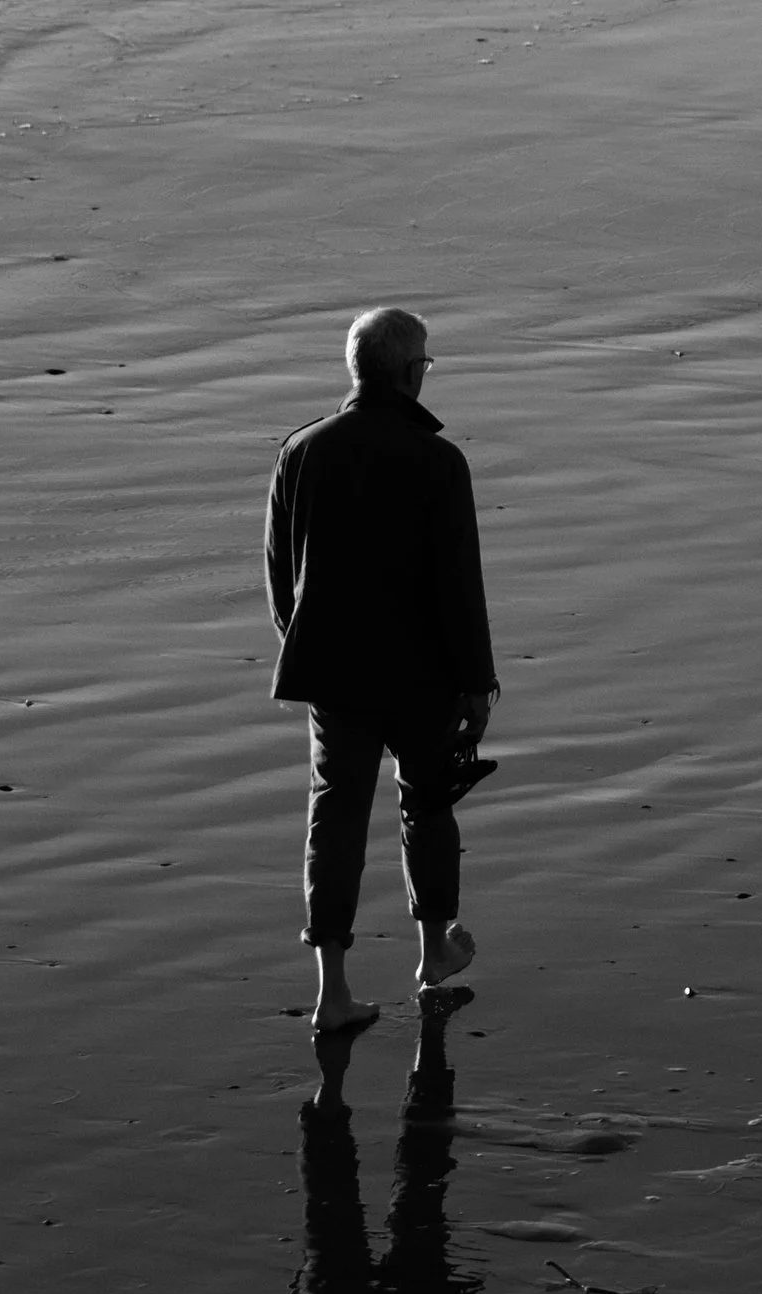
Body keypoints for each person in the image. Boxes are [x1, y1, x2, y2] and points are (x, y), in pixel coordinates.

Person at [266, 306, 499, 1033]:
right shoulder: (438, 461)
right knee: (426, 804)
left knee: (334, 819)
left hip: (332, 669)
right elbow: (459, 582)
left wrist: (301, 640)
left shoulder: (301, 450)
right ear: (406, 373)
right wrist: (475, 681)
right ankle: (432, 953)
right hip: (421, 671)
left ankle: (332, 992)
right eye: (424, 366)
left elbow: (280, 573)